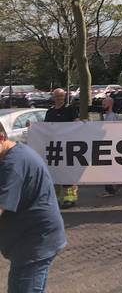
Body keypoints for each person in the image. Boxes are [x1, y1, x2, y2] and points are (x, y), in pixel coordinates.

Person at [0, 120, 67, 293]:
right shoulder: (12, 153)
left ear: (1, 138)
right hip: (28, 240)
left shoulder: (12, 165)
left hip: (35, 241)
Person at [44, 88, 79, 209]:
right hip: (54, 147)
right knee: (55, 172)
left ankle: (70, 197)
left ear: (64, 97)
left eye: (61, 96)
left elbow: (76, 125)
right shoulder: (50, 112)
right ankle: (56, 198)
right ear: (53, 98)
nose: (59, 98)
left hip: (68, 146)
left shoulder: (70, 109)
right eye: (56, 96)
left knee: (68, 171)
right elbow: (45, 128)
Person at [100, 97, 122, 197]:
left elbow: (108, 130)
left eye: (104, 105)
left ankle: (110, 189)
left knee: (107, 168)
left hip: (110, 144)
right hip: (109, 144)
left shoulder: (112, 116)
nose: (102, 106)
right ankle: (117, 183)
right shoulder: (108, 116)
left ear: (109, 105)